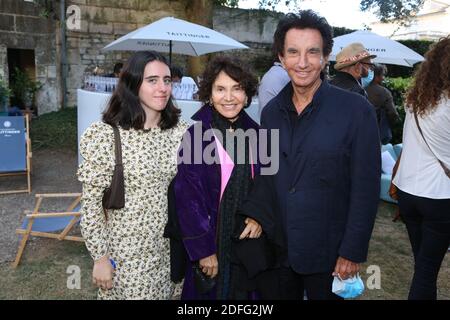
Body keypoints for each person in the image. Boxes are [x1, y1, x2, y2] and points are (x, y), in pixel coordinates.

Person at [241, 10, 381, 300]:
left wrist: (351, 251)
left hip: (330, 254)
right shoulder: (270, 113)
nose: (302, 63)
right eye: (293, 52)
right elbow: (268, 172)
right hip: (279, 251)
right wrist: (256, 214)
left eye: (312, 52)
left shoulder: (356, 111)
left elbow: (365, 189)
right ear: (281, 57)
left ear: (326, 57)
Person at [77, 51, 189, 299]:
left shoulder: (180, 133)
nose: (162, 88)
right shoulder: (106, 136)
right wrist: (100, 258)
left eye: (167, 80)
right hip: (127, 256)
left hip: (169, 252)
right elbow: (92, 206)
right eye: (152, 80)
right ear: (133, 84)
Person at [174, 56, 266, 300]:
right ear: (209, 94)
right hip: (213, 244)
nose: (228, 97)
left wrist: (259, 216)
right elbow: (187, 199)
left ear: (247, 94)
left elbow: (269, 185)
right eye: (220, 89)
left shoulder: (260, 134)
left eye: (237, 88)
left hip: (248, 247)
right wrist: (203, 250)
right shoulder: (196, 136)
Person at [392, 36, 450, 300]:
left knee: (423, 266)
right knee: (426, 270)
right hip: (438, 196)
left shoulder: (417, 99)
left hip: (408, 193)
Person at [366, 63, 400, 144]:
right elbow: (393, 113)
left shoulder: (362, 89)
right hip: (379, 132)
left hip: (363, 131)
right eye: (382, 75)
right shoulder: (384, 92)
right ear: (377, 76)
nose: (383, 78)